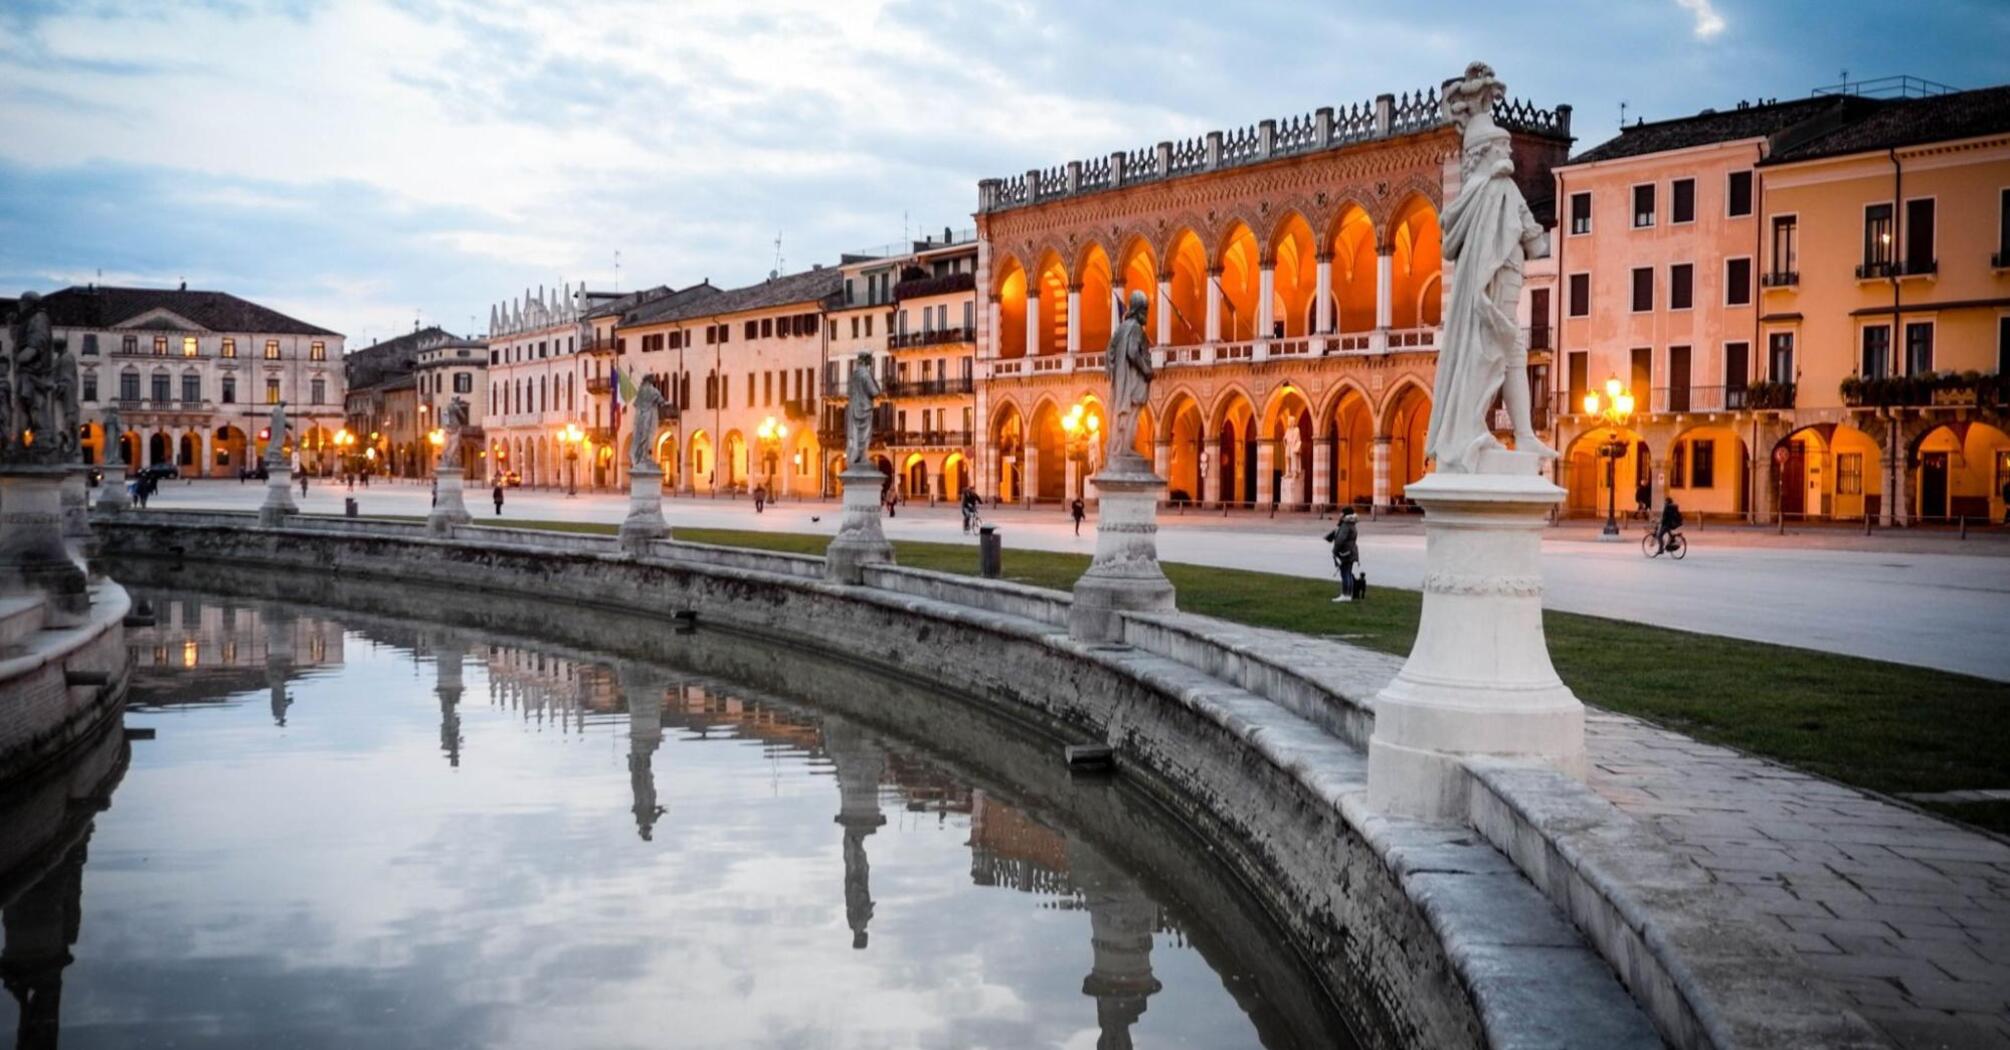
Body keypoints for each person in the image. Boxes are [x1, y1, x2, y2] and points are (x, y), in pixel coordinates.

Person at [1325, 507, 1360, 602]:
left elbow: (1340, 540)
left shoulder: (1345, 525)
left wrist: (1335, 551)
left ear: (1345, 514)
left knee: (1345, 574)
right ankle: (1349, 594)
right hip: (1351, 551)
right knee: (1348, 573)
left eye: (1341, 512)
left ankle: (1345, 595)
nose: (1340, 514)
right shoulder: (1351, 523)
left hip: (1345, 553)